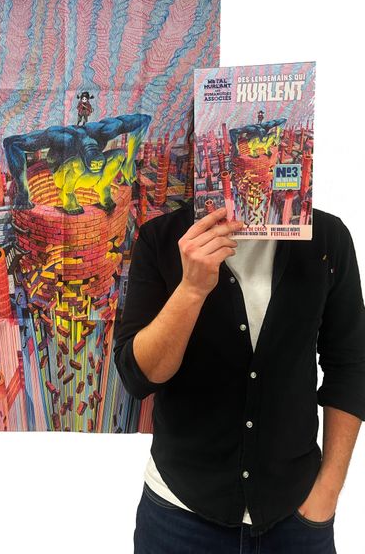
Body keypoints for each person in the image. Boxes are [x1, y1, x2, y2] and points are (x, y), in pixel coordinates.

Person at [114, 200, 365, 553]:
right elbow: (138, 377)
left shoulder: (327, 237)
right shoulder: (161, 236)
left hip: (297, 515)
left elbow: (350, 363)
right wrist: (191, 289)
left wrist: (330, 489)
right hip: (180, 514)